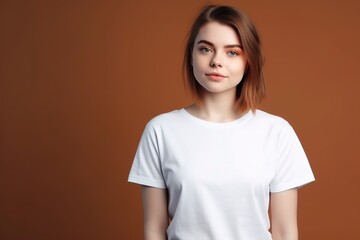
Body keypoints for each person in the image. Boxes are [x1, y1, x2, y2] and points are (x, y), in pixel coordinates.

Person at [128, 5, 315, 240]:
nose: (216, 61)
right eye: (205, 49)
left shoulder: (277, 132)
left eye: (232, 52)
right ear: (191, 56)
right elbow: (154, 230)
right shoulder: (160, 131)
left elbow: (285, 232)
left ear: (249, 61)